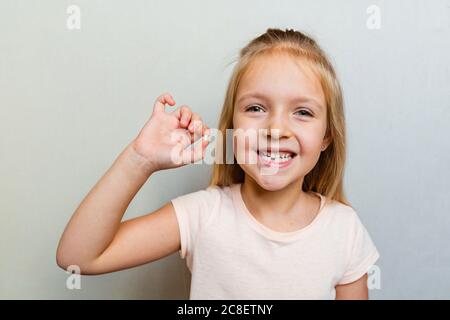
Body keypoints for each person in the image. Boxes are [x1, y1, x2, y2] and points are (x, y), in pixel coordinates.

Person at [57, 28, 380, 299]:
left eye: (303, 112)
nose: (276, 130)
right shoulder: (203, 214)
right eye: (256, 108)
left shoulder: (344, 230)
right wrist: (139, 160)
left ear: (327, 137)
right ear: (231, 129)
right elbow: (79, 257)